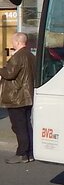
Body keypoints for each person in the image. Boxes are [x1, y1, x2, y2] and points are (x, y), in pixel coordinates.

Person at [1, 32, 35, 163]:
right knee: (27, 125)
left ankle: (21, 153)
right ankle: (30, 153)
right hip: (27, 96)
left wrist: (1, 69)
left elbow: (9, 73)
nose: (12, 44)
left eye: (13, 41)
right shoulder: (31, 56)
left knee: (18, 126)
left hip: (17, 97)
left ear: (18, 42)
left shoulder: (18, 56)